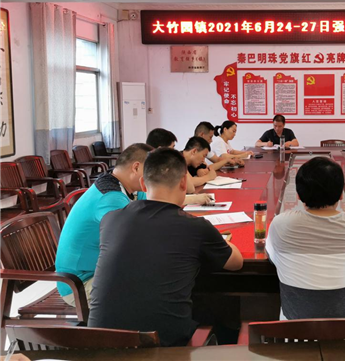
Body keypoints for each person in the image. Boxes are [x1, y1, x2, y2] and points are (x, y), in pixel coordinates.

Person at [88, 148, 243, 347]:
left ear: (143, 184)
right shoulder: (195, 227)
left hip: (100, 346)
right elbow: (236, 262)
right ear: (183, 182)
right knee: (222, 314)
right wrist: (222, 240)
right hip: (161, 350)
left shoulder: (111, 219)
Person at [266, 157, 345, 320]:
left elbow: (272, 258)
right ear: (341, 194)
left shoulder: (280, 224)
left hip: (295, 331)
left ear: (299, 195)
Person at [55, 143, 154, 305]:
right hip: (80, 284)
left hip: (101, 272)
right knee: (156, 283)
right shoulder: (110, 197)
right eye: (151, 171)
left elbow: (154, 205)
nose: (153, 178)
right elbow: (133, 240)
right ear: (136, 168)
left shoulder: (126, 186)